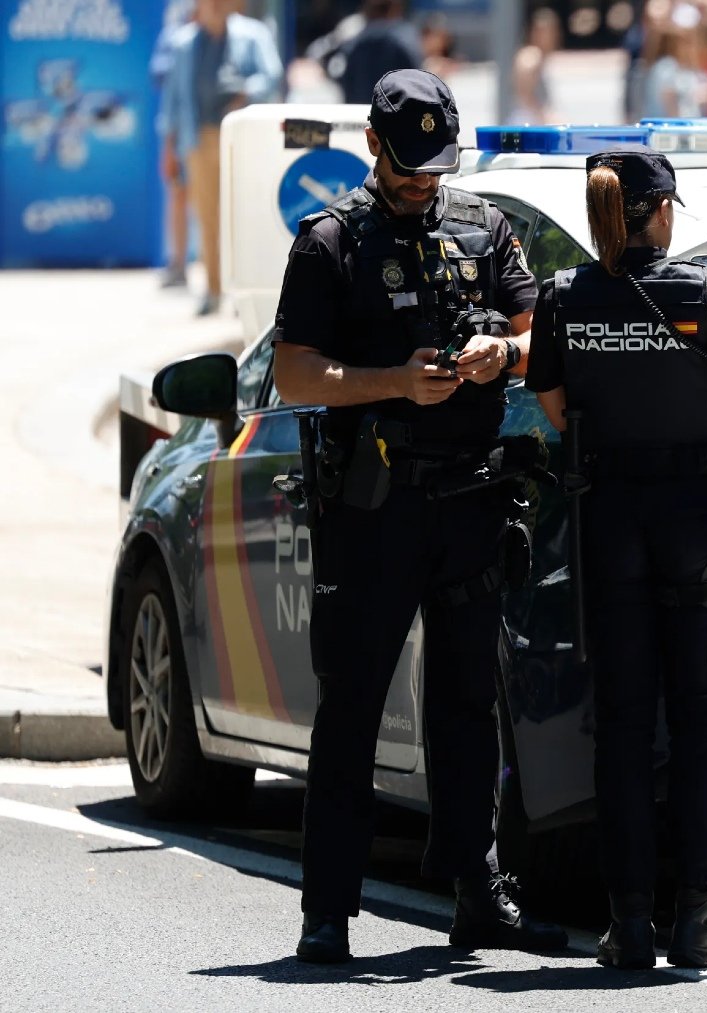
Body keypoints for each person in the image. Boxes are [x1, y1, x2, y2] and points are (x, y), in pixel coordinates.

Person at [271, 69, 566, 965]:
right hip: (374, 506)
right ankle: (328, 910)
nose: (424, 181)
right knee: (352, 706)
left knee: (468, 705)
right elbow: (294, 374)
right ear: (373, 145)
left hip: (471, 497)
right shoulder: (330, 242)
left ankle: (479, 896)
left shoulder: (485, 225)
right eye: (409, 165)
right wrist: (394, 382)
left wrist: (496, 354)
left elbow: (535, 336)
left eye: (437, 165)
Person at [525, 147, 707, 971]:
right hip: (694, 520)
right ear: (661, 212)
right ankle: (699, 919)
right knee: (699, 723)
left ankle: (628, 926)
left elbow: (553, 405)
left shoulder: (563, 298)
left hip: (608, 521)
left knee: (623, 727)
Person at [155, 0, 281, 315]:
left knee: (244, 214)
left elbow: (272, 75)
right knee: (207, 215)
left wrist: (244, 92)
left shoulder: (252, 34)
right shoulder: (183, 42)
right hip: (199, 137)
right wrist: (169, 147)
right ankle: (213, 290)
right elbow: (173, 101)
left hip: (242, 136)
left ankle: (245, 294)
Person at [150, 0, 196, 291]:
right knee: (179, 194)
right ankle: (178, 264)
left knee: (221, 201)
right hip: (183, 129)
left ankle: (222, 273)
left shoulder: (241, 32)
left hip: (221, 128)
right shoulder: (175, 34)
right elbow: (159, 77)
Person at [331, 0, 426, 105]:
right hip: (396, 114)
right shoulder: (405, 38)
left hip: (359, 115)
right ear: (395, 9)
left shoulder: (354, 42)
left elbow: (339, 74)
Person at [513, 7, 562, 124]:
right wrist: (544, 117)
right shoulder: (531, 56)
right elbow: (524, 94)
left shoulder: (542, 57)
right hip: (528, 122)